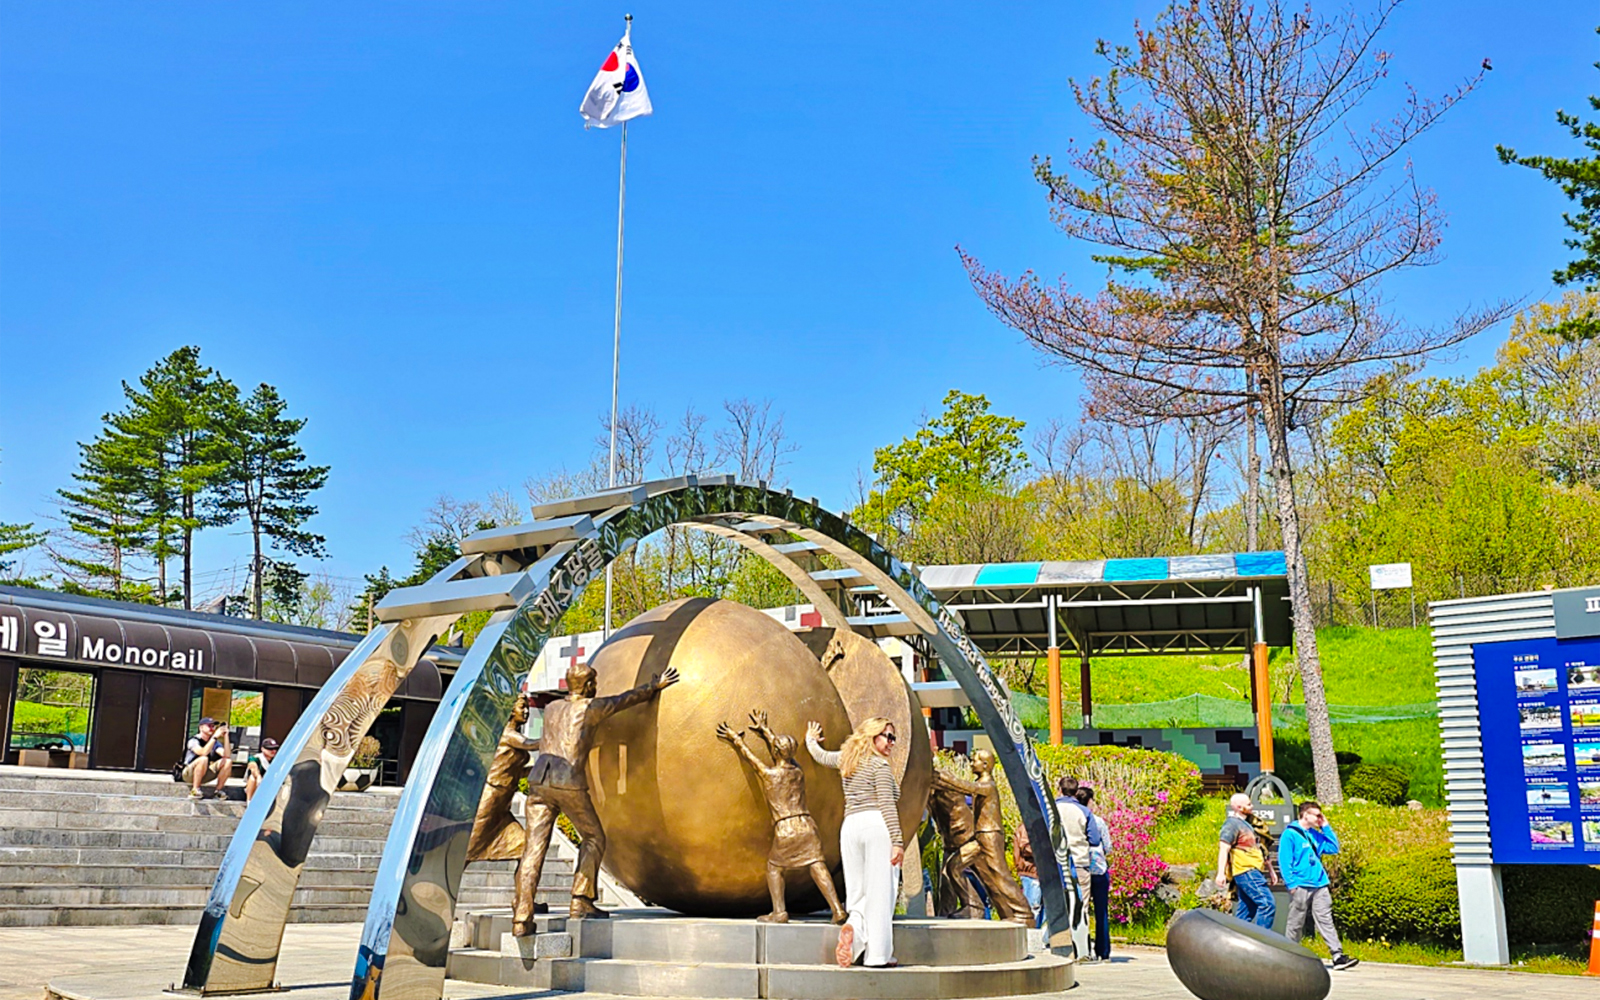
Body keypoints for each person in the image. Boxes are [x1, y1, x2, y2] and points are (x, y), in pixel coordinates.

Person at [513, 662, 679, 932]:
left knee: (533, 850)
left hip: (539, 783)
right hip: (567, 782)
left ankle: (522, 916)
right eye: (594, 682)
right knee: (594, 837)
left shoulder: (552, 707)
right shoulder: (591, 707)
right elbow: (624, 700)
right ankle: (581, 900)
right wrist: (654, 686)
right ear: (589, 685)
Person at [807, 716, 902, 969]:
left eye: (893, 737)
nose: (892, 742)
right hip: (876, 826)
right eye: (887, 736)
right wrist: (898, 841)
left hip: (850, 827)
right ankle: (878, 956)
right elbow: (887, 804)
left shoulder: (846, 758)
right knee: (881, 893)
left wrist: (810, 739)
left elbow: (820, 755)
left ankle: (854, 931)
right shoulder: (879, 766)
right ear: (873, 736)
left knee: (857, 892)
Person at [1279, 800, 1359, 971]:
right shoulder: (1290, 834)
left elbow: (1333, 847)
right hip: (1300, 884)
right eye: (1317, 815)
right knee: (1296, 921)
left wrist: (1326, 826)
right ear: (1305, 814)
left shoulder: (1315, 834)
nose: (1319, 818)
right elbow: (1284, 861)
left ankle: (1337, 955)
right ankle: (1290, 953)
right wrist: (1291, 884)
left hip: (1319, 884)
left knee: (1325, 919)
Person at [1055, 775, 1100, 957]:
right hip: (1080, 861)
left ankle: (1058, 945)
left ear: (1059, 789)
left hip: (1056, 863)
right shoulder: (1084, 812)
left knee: (1057, 905)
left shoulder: (1052, 809)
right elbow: (1095, 839)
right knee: (1082, 906)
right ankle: (1081, 950)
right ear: (1076, 792)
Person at [1217, 792, 1274, 929]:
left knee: (1247, 910)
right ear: (1238, 807)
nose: (1252, 806)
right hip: (1246, 870)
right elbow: (1224, 849)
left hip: (1253, 870)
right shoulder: (1232, 824)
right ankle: (1262, 940)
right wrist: (1221, 873)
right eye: (1248, 804)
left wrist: (1271, 870)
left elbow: (1261, 849)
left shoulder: (1249, 824)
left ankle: (1233, 941)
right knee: (1267, 903)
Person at [1077, 786, 1112, 960]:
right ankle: (1103, 950)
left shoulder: (1074, 818)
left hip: (1079, 868)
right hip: (1098, 869)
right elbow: (1108, 846)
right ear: (1090, 801)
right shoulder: (1097, 821)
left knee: (1080, 910)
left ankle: (1082, 948)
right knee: (1101, 912)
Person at [183, 717, 232, 800]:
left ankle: (218, 791)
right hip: (189, 773)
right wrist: (215, 737)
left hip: (204, 772)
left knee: (228, 761)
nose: (212, 729)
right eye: (209, 726)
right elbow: (203, 752)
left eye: (213, 726)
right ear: (201, 727)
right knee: (203, 759)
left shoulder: (215, 742)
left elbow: (226, 755)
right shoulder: (193, 740)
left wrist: (226, 736)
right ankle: (195, 790)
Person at [1012, 815, 1041, 925]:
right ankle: (1030, 936)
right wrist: (1045, 851)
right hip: (1031, 872)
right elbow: (1026, 848)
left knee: (1037, 908)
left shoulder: (1032, 826)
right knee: (1032, 908)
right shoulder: (1028, 827)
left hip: (1035, 872)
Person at [243, 738, 279, 803]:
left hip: (269, 788)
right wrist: (258, 776)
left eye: (275, 748)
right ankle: (249, 802)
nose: (273, 751)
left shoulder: (277, 760)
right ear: (262, 749)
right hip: (256, 787)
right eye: (270, 749)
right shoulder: (256, 758)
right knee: (253, 777)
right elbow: (252, 766)